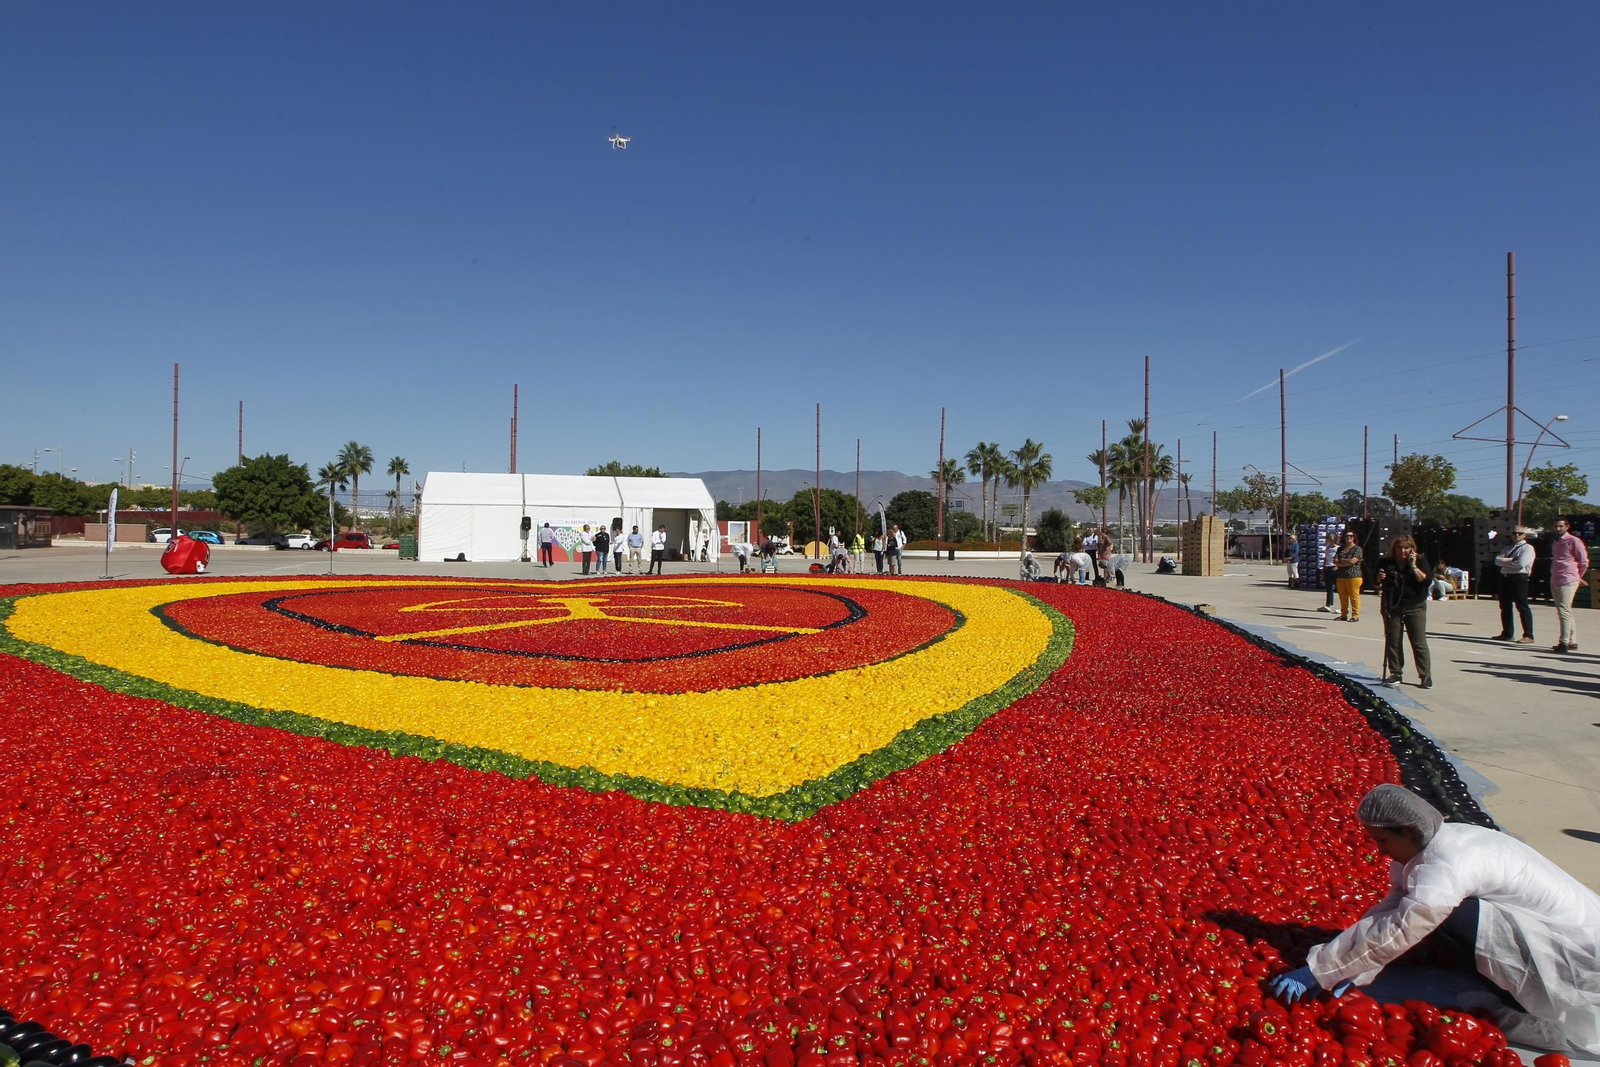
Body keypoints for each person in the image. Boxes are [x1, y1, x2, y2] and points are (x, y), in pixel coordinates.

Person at [1267, 784, 1600, 1056]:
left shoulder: (1451, 862)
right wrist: (1340, 962)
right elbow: (1392, 908)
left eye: (1383, 840)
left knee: (1449, 917)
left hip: (1577, 954)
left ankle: (1519, 1006)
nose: (1379, 851)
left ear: (1409, 830)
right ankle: (1496, 980)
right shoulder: (1429, 845)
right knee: (1439, 917)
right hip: (1552, 929)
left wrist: (1321, 970)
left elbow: (1409, 921)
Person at [1378, 536, 1431, 688]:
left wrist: (1413, 566)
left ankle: (1425, 675)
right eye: (1399, 547)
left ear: (1412, 549)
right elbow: (1375, 583)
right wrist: (1379, 578)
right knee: (1393, 639)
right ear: (1394, 549)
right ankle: (1395, 672)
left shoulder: (1420, 560)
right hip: (1392, 605)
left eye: (1406, 548)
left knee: (1418, 641)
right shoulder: (1386, 562)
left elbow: (1426, 581)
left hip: (1415, 605)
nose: (1403, 551)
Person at [1547, 518, 1589, 652]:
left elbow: (1583, 561)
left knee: (1564, 611)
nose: (1558, 529)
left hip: (1568, 579)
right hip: (1555, 578)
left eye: (1560, 526)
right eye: (1555, 526)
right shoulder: (1556, 542)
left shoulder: (1573, 541)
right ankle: (1572, 641)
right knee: (1565, 611)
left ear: (1567, 526)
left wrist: (1578, 576)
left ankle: (1563, 642)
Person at [1493, 527, 1536, 644]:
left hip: (1518, 578)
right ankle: (1507, 633)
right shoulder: (1507, 547)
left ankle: (1528, 635)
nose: (1516, 535)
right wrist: (1512, 560)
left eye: (1519, 533)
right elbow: (1497, 561)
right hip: (1505, 577)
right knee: (1505, 606)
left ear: (1524, 535)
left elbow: (1521, 563)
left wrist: (1505, 562)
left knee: (1522, 606)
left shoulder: (1528, 548)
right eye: (1514, 533)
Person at [1334, 529, 1363, 622]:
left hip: (1354, 576)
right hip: (1341, 576)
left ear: (1354, 537)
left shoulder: (1357, 549)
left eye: (1351, 536)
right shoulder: (1340, 549)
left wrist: (1341, 561)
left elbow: (1353, 561)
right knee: (1342, 597)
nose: (1348, 538)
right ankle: (1343, 615)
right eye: (1346, 536)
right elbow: (1335, 561)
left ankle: (1355, 615)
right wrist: (1345, 562)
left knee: (1354, 597)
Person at [1316, 532, 1339, 613]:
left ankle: (1343, 606)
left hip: (1334, 567)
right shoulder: (1328, 547)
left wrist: (1337, 567)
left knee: (1338, 588)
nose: (1327, 539)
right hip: (1327, 567)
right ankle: (1328, 604)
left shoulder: (1338, 548)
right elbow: (1325, 558)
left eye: (1328, 538)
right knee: (1329, 587)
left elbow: (1339, 559)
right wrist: (1323, 568)